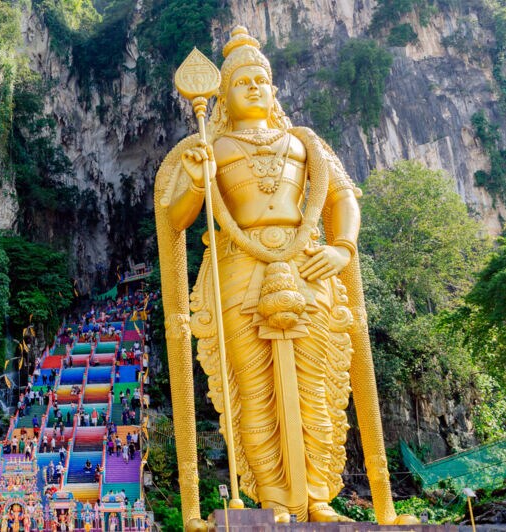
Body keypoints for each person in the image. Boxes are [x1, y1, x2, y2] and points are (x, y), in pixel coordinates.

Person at [155, 25, 413, 524]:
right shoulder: (211, 146)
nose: (253, 86)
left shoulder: (304, 142)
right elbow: (176, 218)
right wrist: (194, 180)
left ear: (274, 90)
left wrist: (342, 247)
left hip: (307, 265)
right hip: (238, 269)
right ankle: (272, 501)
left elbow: (341, 199)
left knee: (315, 387)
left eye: (261, 79)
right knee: (251, 391)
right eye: (241, 81)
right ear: (224, 94)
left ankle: (318, 498)